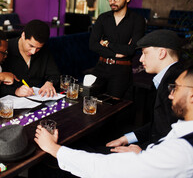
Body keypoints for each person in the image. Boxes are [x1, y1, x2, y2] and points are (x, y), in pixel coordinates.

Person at [34, 65, 193, 178]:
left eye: (176, 88)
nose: (170, 95)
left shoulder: (182, 152)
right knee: (86, 147)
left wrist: (53, 148)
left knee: (47, 168)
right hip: (139, 158)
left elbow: (103, 169)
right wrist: (143, 155)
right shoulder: (183, 132)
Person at [106, 29, 185, 150]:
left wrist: (142, 153)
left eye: (145, 53)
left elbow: (175, 137)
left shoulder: (175, 84)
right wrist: (126, 139)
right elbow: (159, 125)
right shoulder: (174, 75)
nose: (141, 59)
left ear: (161, 53)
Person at [89, 0, 146, 98]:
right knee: (91, 101)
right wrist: (115, 54)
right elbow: (93, 45)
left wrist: (106, 43)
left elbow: (131, 49)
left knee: (112, 107)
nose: (112, 1)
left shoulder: (137, 20)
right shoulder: (103, 18)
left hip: (122, 70)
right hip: (100, 67)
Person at [0, 19, 60, 97]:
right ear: (23, 35)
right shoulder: (6, 50)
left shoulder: (44, 51)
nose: (33, 51)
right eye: (31, 46)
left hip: (37, 99)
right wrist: (15, 91)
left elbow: (54, 74)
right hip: (11, 101)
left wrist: (49, 83)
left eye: (38, 48)